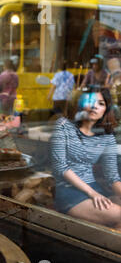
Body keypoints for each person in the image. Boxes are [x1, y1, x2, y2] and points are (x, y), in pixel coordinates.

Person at [50, 88, 121, 230]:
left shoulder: (107, 136)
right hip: (68, 190)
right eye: (90, 101)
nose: (95, 106)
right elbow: (60, 167)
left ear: (105, 109)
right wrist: (92, 193)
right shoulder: (64, 126)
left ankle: (103, 249)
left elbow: (112, 176)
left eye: (101, 103)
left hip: (95, 188)